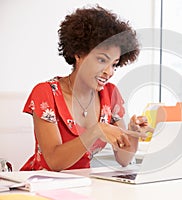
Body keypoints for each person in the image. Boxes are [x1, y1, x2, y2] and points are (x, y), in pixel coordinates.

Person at [20, 5, 151, 171]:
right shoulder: (46, 94)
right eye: (102, 60)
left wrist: (132, 134)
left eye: (114, 64)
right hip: (39, 185)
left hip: (83, 185)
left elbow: (124, 159)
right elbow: (54, 162)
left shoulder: (110, 95)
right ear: (79, 54)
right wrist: (96, 130)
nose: (109, 72)